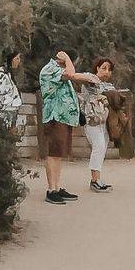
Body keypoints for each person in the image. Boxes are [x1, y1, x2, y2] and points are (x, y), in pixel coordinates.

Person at [36, 47, 97, 203]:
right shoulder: (51, 69)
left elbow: (74, 75)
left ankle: (57, 187)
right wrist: (68, 58)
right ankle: (51, 190)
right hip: (55, 116)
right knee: (53, 154)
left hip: (64, 118)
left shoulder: (59, 70)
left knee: (59, 154)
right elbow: (71, 73)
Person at [81, 59, 124, 192]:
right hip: (92, 120)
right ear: (97, 68)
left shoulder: (109, 86)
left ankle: (97, 179)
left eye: (109, 69)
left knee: (102, 148)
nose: (106, 72)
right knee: (98, 146)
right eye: (104, 68)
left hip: (104, 121)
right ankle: (94, 180)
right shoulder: (90, 81)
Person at [0, 49, 25, 132]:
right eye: (17, 58)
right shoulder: (1, 76)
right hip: (6, 115)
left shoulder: (8, 75)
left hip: (11, 114)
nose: (18, 61)